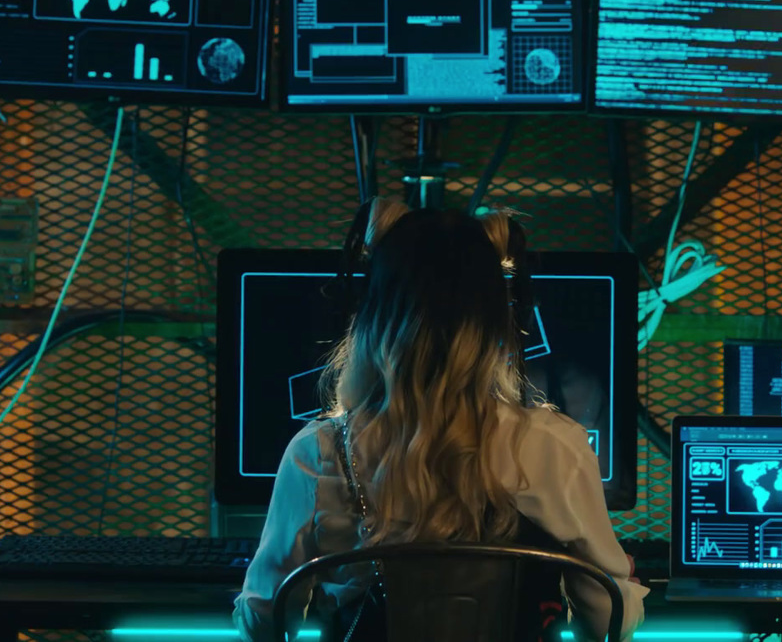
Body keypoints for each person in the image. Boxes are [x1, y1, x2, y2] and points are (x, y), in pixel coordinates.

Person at [233, 200, 648, 642]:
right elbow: (611, 619)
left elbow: (265, 622)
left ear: (369, 318)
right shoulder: (553, 445)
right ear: (498, 323)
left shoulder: (316, 452)